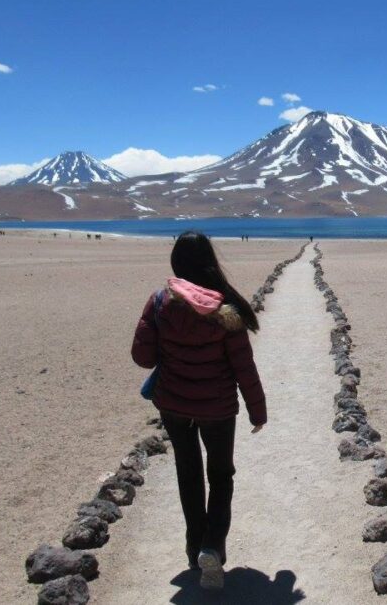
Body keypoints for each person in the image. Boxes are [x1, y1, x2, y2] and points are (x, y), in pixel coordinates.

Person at [131, 230, 267, 591]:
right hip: (218, 409)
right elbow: (244, 368)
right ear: (210, 263)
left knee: (188, 473)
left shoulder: (160, 302)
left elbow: (142, 357)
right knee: (221, 475)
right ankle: (212, 545)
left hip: (174, 404)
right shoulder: (227, 311)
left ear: (177, 262)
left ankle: (195, 549)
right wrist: (258, 411)